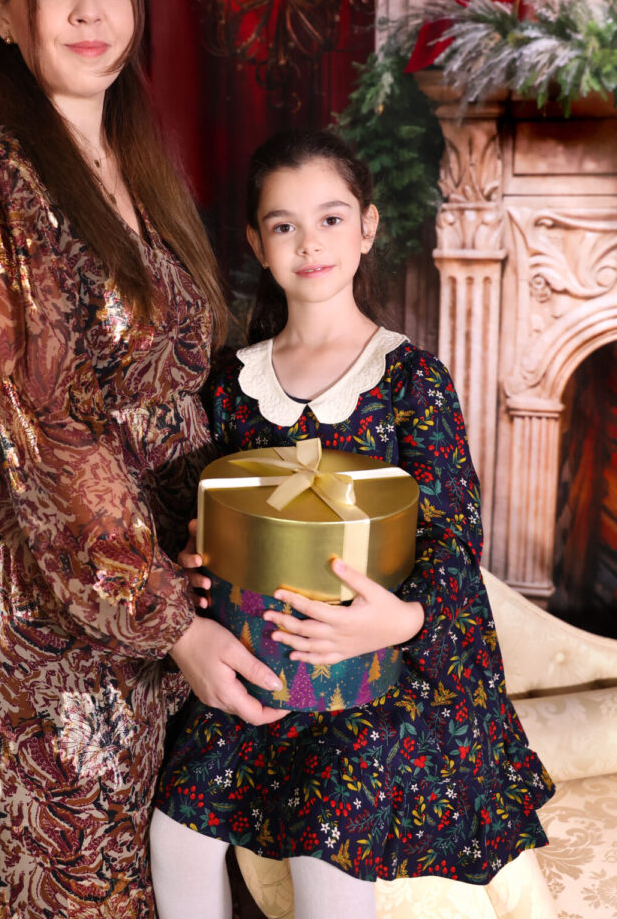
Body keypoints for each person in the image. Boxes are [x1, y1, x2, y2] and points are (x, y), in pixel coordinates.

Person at [0, 0, 286, 919]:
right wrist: (173, 623)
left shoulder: (137, 159)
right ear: (1, 12)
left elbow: (182, 383)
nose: (92, 10)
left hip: (154, 592)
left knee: (155, 877)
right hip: (43, 616)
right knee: (65, 883)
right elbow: (38, 441)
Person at [151, 129, 555, 919]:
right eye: (284, 225)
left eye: (331, 219)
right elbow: (212, 518)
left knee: (327, 836)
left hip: (375, 680)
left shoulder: (409, 379)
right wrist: (201, 555)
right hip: (259, 672)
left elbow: (452, 539)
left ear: (367, 228)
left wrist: (399, 621)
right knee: (175, 829)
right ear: (256, 243)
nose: (310, 244)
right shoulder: (230, 383)